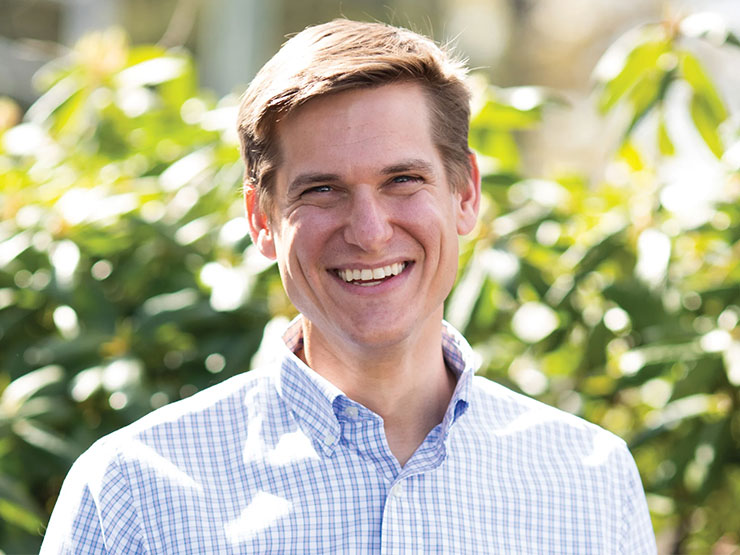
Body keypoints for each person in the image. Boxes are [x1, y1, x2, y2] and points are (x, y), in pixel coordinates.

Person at [41, 19, 656, 553]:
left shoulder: (590, 481)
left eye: (403, 180)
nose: (368, 232)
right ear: (261, 219)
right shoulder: (131, 491)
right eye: (322, 189)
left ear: (465, 194)